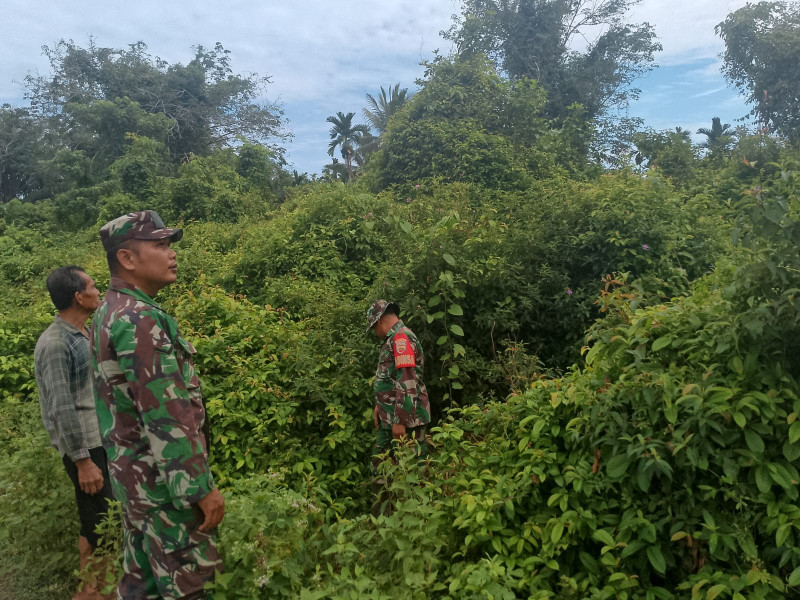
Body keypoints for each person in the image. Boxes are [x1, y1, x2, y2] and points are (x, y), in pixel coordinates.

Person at [91, 210, 224, 600]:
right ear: (127, 259)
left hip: (135, 484)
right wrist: (198, 487)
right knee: (193, 587)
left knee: (140, 586)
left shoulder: (109, 310)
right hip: (165, 490)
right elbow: (165, 415)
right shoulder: (138, 319)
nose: (172, 254)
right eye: (160, 245)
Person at [34, 265, 113, 600]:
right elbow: (61, 406)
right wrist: (83, 461)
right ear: (79, 296)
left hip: (98, 442)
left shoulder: (82, 332)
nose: (99, 290)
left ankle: (93, 588)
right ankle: (95, 592)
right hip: (86, 450)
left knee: (94, 521)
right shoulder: (55, 343)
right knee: (102, 527)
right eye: (93, 286)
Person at [366, 300, 431, 474]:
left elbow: (407, 380)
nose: (375, 333)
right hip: (390, 417)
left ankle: (416, 501)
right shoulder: (393, 339)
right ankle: (385, 499)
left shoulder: (402, 338)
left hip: (406, 421)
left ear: (379, 321)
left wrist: (400, 420)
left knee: (412, 471)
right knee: (380, 467)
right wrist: (380, 405)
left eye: (374, 328)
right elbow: (391, 379)